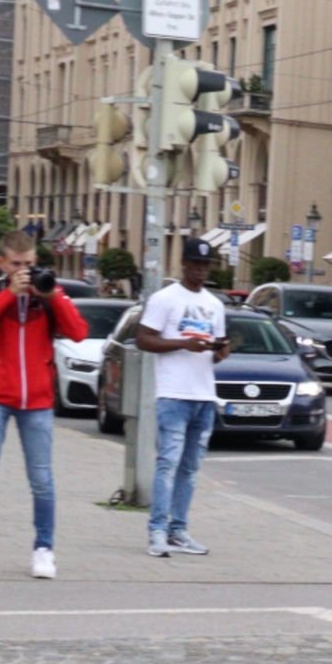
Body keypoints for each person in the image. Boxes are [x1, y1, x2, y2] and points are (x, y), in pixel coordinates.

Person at [0, 232, 86, 579]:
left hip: (38, 401)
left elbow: (79, 332)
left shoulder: (48, 293)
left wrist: (52, 294)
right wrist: (10, 293)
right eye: (16, 265)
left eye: (29, 264)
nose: (24, 271)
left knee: (42, 479)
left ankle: (44, 550)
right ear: (1, 264)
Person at [136, 239, 231, 557]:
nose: (202, 271)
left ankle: (179, 530)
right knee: (168, 463)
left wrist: (221, 351)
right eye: (197, 265)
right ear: (184, 265)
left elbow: (216, 347)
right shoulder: (165, 299)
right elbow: (143, 339)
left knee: (190, 468)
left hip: (204, 393)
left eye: (207, 266)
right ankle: (158, 531)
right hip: (174, 394)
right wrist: (181, 343)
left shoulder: (215, 305)